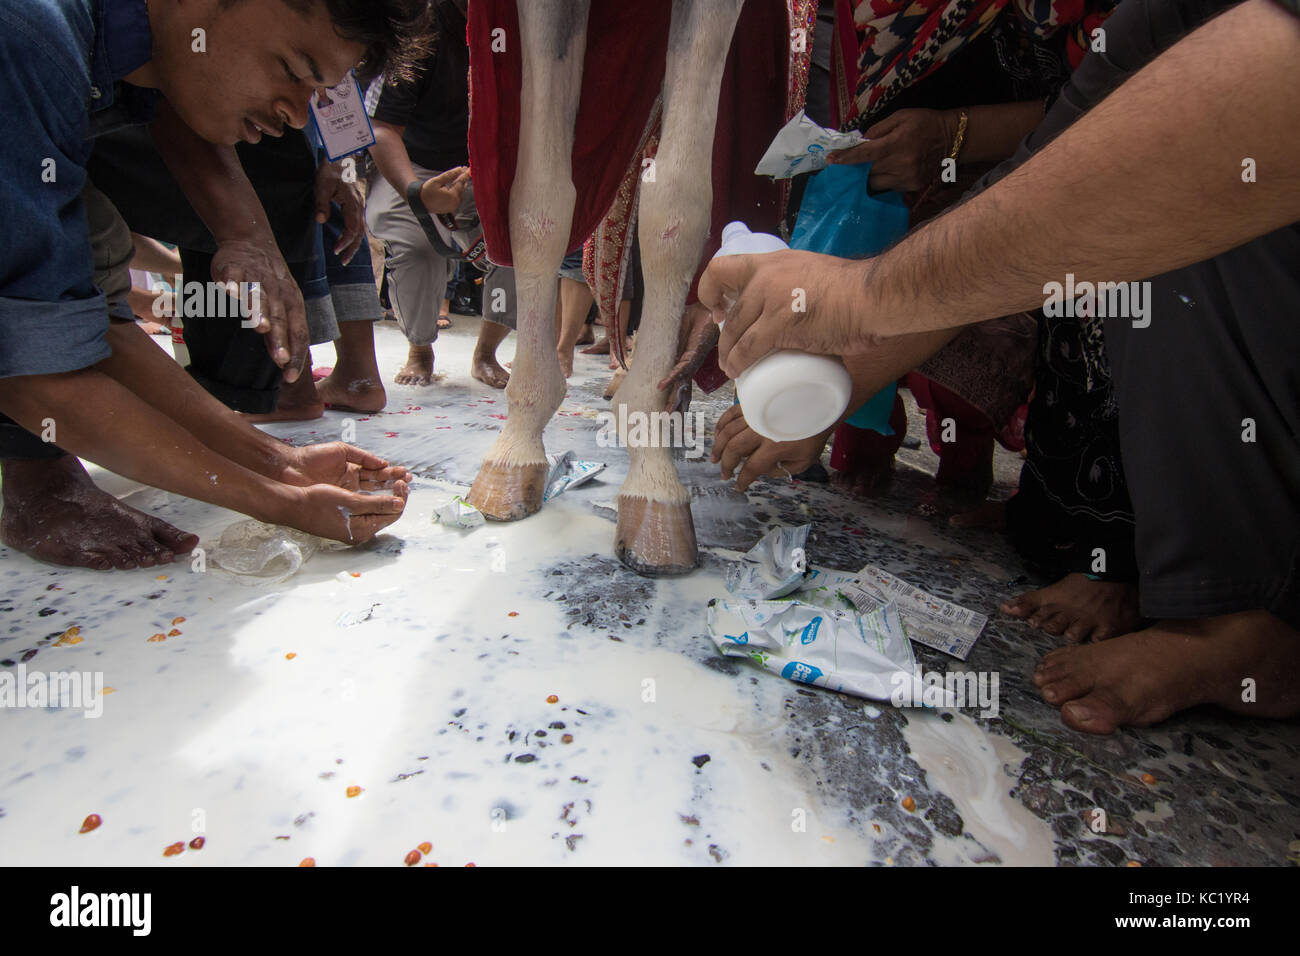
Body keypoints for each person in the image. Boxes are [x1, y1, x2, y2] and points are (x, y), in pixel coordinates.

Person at [702, 0, 1300, 734]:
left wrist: (863, 294)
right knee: (1087, 216)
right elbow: (1047, 186)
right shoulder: (1150, 24)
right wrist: (847, 372)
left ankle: (1237, 615)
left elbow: (1264, 95)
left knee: (1162, 205)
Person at [0, 0, 428, 567]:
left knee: (89, 239)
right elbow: (35, 372)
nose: (300, 116)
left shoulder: (144, 53)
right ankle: (35, 471)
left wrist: (282, 464)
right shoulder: (29, 36)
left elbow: (93, 328)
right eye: (293, 69)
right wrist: (282, 502)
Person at [365, 0, 515, 390]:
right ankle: (420, 347)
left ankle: (486, 353)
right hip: (412, 166)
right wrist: (415, 190)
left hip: (487, 169)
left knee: (519, 248)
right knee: (417, 249)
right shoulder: (420, 26)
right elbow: (381, 130)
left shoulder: (518, 27)